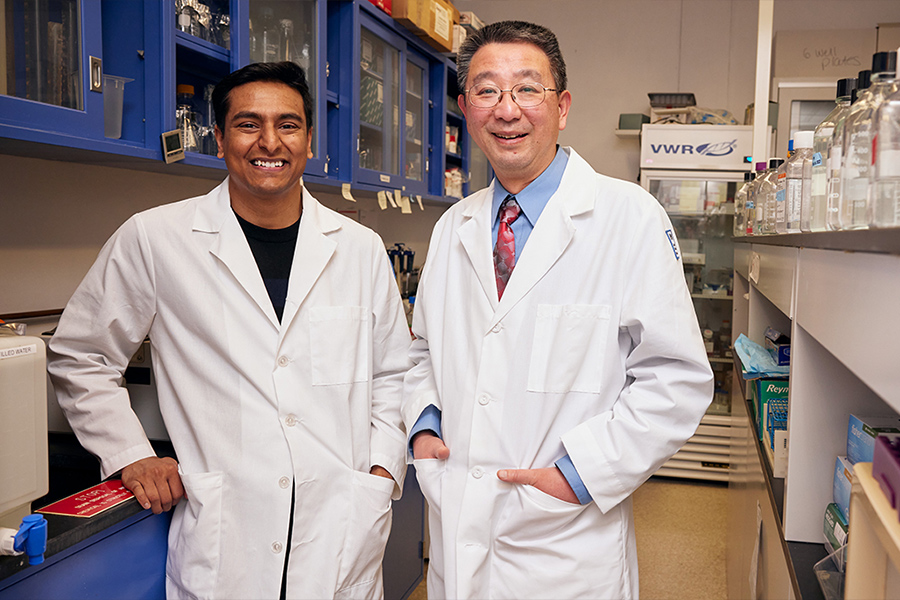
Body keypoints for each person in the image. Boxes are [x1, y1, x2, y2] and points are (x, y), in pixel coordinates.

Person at [48, 61, 412, 600]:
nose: (270, 141)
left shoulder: (358, 249)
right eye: (248, 124)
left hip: (340, 529)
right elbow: (80, 354)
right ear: (219, 138)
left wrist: (382, 470)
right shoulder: (156, 238)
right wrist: (129, 453)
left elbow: (393, 374)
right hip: (227, 541)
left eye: (288, 125)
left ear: (309, 139)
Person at [402, 21, 714, 599]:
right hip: (458, 526)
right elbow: (423, 350)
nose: (506, 109)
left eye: (527, 89)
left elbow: (675, 380)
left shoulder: (629, 218)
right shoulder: (453, 228)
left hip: (563, 544)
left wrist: (577, 477)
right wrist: (423, 424)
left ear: (561, 106)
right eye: (486, 91)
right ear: (467, 108)